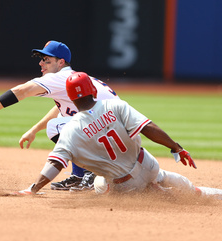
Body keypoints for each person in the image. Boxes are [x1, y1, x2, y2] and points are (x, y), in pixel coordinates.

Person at [14, 72, 222, 200]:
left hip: (124, 186)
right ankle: (193, 192)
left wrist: (33, 189)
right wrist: (176, 147)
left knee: (98, 184)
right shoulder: (115, 105)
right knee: (173, 181)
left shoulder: (71, 129)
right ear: (93, 89)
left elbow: (55, 163)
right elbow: (148, 128)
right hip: (148, 165)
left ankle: (157, 193)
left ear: (70, 98)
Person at [0, 40, 119, 191]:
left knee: (54, 127)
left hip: (108, 133)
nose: (41, 63)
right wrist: (34, 129)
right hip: (118, 133)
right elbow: (62, 109)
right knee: (60, 122)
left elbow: (21, 91)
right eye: (41, 59)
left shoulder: (59, 77)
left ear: (61, 62)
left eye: (47, 60)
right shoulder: (74, 78)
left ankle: (90, 172)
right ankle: (79, 176)